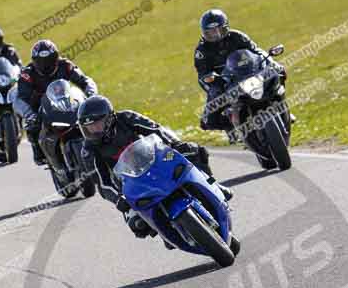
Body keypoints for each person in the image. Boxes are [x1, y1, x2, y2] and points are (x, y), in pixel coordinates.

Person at [78, 95, 232, 240]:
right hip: (129, 184)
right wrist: (118, 198)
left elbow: (157, 129)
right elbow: (102, 183)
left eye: (97, 125)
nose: (93, 131)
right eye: (88, 128)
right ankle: (168, 231)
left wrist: (176, 145)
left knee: (196, 151)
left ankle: (212, 184)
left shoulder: (127, 118)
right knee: (138, 226)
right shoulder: (88, 150)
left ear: (110, 118)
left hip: (155, 161)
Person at [194, 9, 289, 136]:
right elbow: (202, 73)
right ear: (204, 33)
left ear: (226, 27)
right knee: (209, 117)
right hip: (223, 80)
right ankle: (230, 126)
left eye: (218, 30)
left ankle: (282, 104)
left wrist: (270, 62)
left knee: (278, 70)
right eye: (210, 33)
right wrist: (211, 78)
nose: (215, 35)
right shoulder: (202, 50)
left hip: (247, 71)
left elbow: (256, 51)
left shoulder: (237, 36)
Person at [14, 39, 97, 165]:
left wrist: (91, 95)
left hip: (67, 102)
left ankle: (96, 143)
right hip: (41, 107)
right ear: (34, 61)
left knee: (90, 117)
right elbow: (20, 98)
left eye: (49, 60)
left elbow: (84, 80)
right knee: (32, 125)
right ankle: (39, 152)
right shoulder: (28, 74)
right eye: (41, 62)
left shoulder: (66, 65)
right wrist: (28, 113)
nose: (45, 64)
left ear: (56, 58)